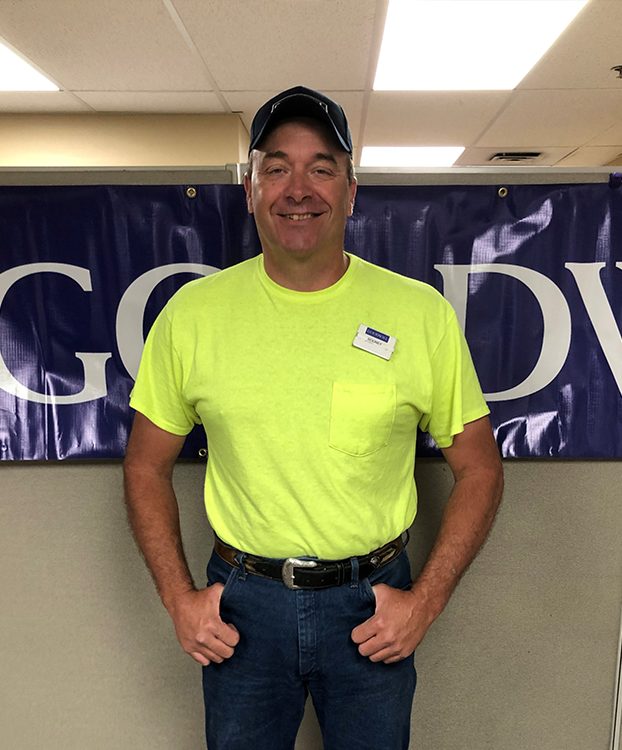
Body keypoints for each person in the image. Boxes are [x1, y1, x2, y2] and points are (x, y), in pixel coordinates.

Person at [123, 86, 504, 750]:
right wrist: (179, 598)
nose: (298, 188)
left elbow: (479, 470)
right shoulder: (193, 314)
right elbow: (145, 467)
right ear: (250, 190)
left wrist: (426, 602)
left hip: (372, 605)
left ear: (352, 190)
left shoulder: (419, 315)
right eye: (277, 168)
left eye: (321, 167)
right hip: (242, 606)